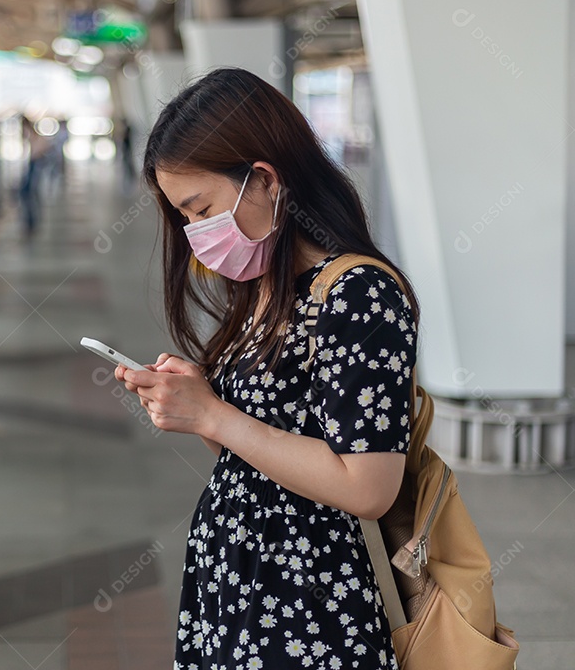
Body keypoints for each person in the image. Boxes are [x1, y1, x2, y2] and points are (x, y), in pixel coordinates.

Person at [114, 67, 421, 669]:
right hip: (242, 590)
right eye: (183, 217)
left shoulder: (358, 293)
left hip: (309, 610)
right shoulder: (265, 286)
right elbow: (258, 451)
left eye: (200, 208)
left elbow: (368, 488)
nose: (194, 232)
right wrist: (200, 408)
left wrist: (217, 416)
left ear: (263, 179)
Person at [19, 115, 52, 238]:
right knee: (27, 194)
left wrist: (37, 155)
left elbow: (43, 148)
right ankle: (30, 221)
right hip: (33, 164)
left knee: (27, 194)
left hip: (34, 164)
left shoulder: (34, 136)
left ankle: (31, 222)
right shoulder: (33, 136)